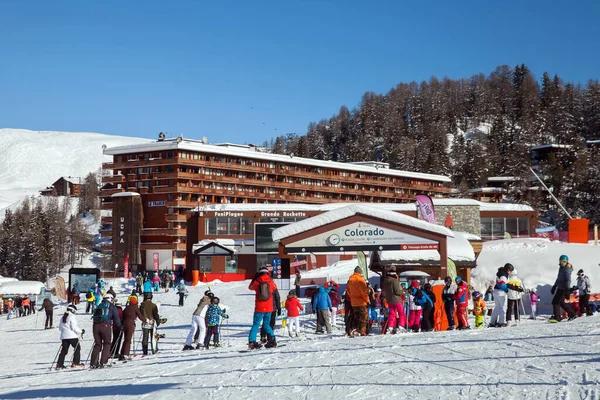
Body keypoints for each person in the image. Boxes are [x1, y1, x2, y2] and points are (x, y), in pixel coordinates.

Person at [247, 266, 278, 349]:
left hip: (259, 308)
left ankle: (252, 341)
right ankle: (272, 340)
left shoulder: (257, 281)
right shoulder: (270, 281)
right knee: (267, 324)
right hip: (269, 308)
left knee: (256, 324)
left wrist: (254, 278)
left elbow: (250, 287)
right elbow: (275, 288)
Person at [90, 294, 121, 368]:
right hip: (105, 325)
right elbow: (116, 318)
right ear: (110, 299)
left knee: (97, 344)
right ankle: (104, 362)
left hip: (95, 326)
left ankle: (93, 363)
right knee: (107, 343)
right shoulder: (111, 306)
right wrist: (119, 326)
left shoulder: (99, 305)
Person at [56, 304, 85, 369]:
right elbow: (74, 327)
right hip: (72, 336)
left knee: (64, 350)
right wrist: (80, 331)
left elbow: (60, 328)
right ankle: (75, 363)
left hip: (64, 336)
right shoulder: (71, 316)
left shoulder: (63, 317)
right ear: (72, 310)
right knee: (77, 348)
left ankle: (59, 364)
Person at [549, 255, 576, 322]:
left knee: (555, 302)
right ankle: (572, 314)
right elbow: (559, 278)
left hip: (564, 288)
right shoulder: (561, 268)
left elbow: (568, 280)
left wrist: (567, 289)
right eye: (561, 261)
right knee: (560, 302)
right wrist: (555, 285)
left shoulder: (566, 269)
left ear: (566, 262)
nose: (562, 263)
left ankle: (557, 317)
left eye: (564, 261)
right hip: (560, 287)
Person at [119, 295, 146, 361]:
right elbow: (140, 316)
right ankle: (126, 354)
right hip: (130, 324)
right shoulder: (135, 308)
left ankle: (122, 354)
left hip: (124, 324)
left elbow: (122, 316)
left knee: (126, 339)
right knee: (128, 339)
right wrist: (145, 320)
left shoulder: (126, 308)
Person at [346, 266, 370, 336]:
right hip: (361, 302)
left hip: (354, 303)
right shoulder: (360, 280)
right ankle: (362, 332)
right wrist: (367, 300)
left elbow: (348, 291)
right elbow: (364, 292)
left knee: (356, 317)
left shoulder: (350, 280)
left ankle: (355, 329)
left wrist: (352, 298)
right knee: (363, 317)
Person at [489, 263, 515, 328]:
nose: (511, 272)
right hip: (501, 293)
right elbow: (502, 284)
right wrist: (508, 288)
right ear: (508, 270)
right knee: (503, 307)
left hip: (496, 291)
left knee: (497, 307)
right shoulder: (504, 275)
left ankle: (492, 322)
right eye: (511, 271)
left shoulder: (500, 273)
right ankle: (501, 322)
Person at [383, 266, 405, 334]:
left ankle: (390, 327)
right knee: (401, 313)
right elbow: (397, 291)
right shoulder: (394, 281)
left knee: (392, 314)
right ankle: (401, 326)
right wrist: (402, 292)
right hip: (397, 300)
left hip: (390, 300)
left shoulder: (385, 281)